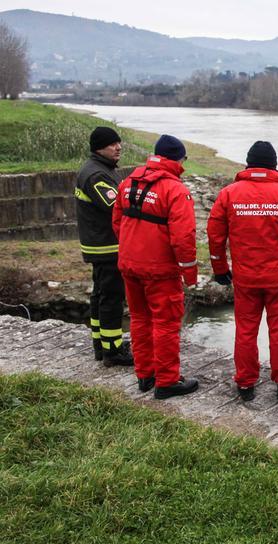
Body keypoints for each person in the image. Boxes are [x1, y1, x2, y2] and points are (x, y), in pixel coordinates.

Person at [207, 141, 278, 402]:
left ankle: (245, 383)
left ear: (248, 164)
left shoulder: (228, 194)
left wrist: (220, 268)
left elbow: (215, 236)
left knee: (245, 330)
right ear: (274, 166)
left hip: (245, 278)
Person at [112, 134, 199, 399]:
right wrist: (190, 273)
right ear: (178, 159)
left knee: (139, 319)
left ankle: (145, 375)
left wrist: (133, 250)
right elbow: (184, 237)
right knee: (166, 324)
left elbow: (117, 222)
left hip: (129, 265)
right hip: (160, 270)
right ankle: (167, 381)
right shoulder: (175, 190)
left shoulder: (128, 182)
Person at [75, 126, 133, 366]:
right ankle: (113, 351)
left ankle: (102, 344)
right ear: (99, 148)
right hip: (107, 247)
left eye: (119, 143)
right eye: (112, 144)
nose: (118, 147)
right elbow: (116, 207)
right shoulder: (96, 175)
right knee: (111, 298)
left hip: (100, 244)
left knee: (100, 295)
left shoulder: (100, 169)